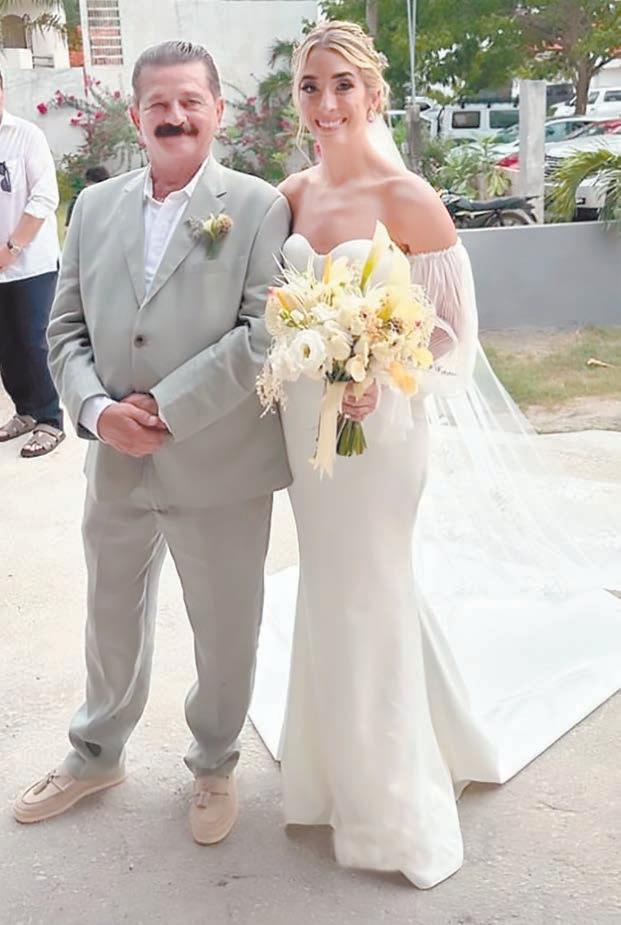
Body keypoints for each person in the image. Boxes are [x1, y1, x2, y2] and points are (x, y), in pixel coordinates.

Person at [250, 21, 621, 889]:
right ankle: (334, 765)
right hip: (307, 430)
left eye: (342, 83)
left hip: (381, 434)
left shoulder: (407, 195)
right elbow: (269, 308)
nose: (326, 101)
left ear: (373, 93)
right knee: (332, 587)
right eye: (310, 86)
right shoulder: (289, 195)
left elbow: (453, 332)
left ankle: (388, 803)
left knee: (370, 586)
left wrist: (379, 372)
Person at [13, 41, 291, 846]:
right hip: (114, 460)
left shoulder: (257, 206)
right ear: (135, 116)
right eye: (158, 104)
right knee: (109, 616)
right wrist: (97, 410)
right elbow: (62, 328)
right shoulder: (93, 208)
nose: (174, 116)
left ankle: (214, 761)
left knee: (225, 624)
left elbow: (264, 332)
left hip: (219, 460)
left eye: (189, 102)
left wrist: (165, 407)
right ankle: (96, 753)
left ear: (216, 111)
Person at [0, 69, 65, 458]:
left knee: (32, 340)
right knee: (6, 346)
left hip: (30, 264)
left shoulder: (25, 136)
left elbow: (44, 196)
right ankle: (25, 412)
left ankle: (49, 419)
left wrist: (11, 248)